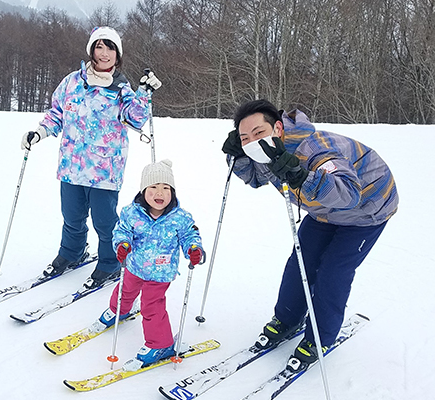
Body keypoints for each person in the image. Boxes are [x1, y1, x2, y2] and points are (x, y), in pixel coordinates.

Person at [222, 99, 398, 368]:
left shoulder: (315, 149)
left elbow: (348, 195)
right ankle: (287, 318)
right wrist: (239, 157)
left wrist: (302, 177)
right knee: (301, 263)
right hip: (322, 211)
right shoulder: (266, 151)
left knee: (333, 271)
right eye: (245, 138)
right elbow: (256, 178)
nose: (253, 141)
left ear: (277, 128)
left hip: (366, 210)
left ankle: (320, 336)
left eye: (258, 133)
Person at [20, 27, 162, 289]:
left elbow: (136, 118)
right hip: (71, 165)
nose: (104, 53)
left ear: (117, 54)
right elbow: (57, 113)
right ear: (91, 50)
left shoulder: (121, 88)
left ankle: (109, 264)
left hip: (105, 169)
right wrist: (40, 132)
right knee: (72, 216)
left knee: (105, 222)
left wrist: (144, 93)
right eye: (99, 46)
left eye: (110, 48)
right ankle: (71, 252)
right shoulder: (72, 81)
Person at [93, 159, 204, 371]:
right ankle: (119, 311)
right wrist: (122, 244)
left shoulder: (179, 218)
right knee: (124, 291)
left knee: (151, 307)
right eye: (153, 187)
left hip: (160, 273)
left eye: (165, 188)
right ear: (143, 190)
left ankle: (161, 344)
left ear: (172, 192)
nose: (159, 193)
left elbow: (190, 234)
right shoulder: (131, 213)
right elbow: (121, 231)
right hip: (134, 266)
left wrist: (193, 249)